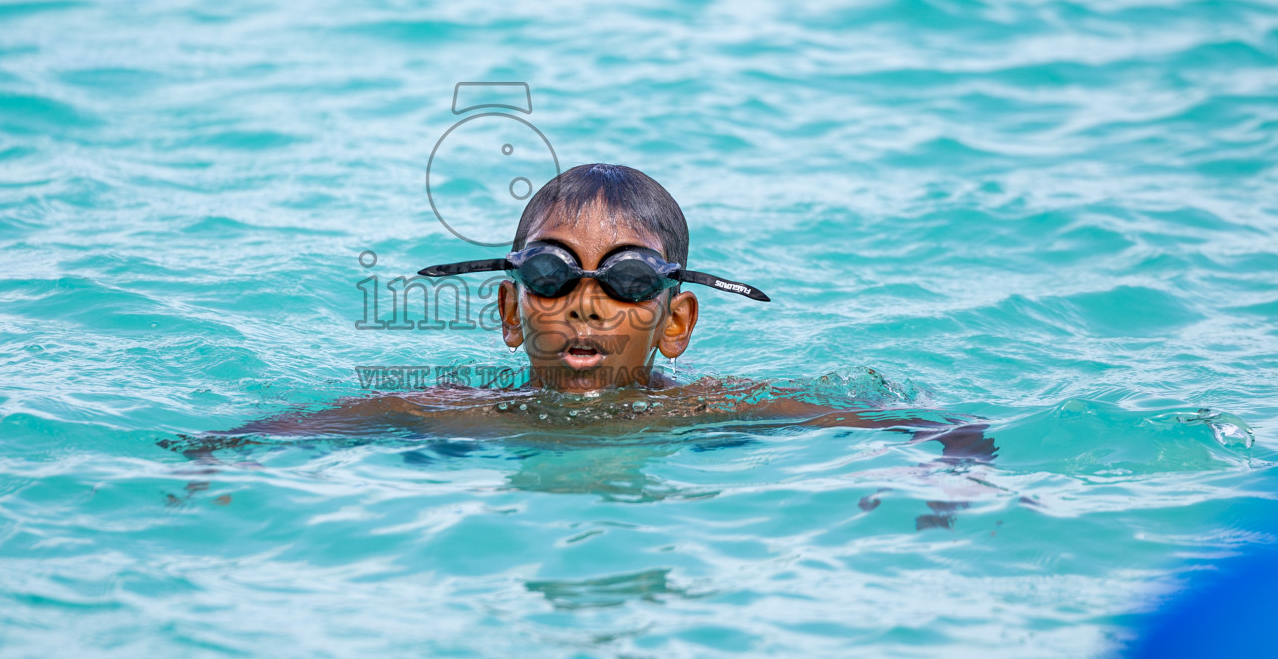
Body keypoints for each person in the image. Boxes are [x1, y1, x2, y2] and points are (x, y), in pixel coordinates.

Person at [202, 163, 993, 461]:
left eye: (629, 281)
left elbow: (935, 425)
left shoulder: (710, 413)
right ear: (512, 315)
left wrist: (953, 480)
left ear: (675, 323)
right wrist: (207, 468)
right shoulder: (452, 414)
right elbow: (261, 436)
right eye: (550, 275)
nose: (585, 305)